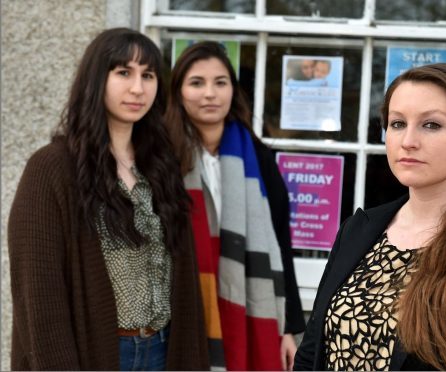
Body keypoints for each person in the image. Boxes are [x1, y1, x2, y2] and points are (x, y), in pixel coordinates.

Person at [294, 63, 446, 370]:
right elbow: (310, 351)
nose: (408, 140)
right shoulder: (358, 229)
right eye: (397, 124)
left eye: (431, 125)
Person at [8, 28, 209, 371]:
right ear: (95, 79)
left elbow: (184, 280)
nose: (137, 88)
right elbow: (39, 297)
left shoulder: (161, 165)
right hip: (99, 354)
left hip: (163, 351)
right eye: (123, 73)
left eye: (148, 75)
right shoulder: (51, 168)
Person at [165, 41, 305, 371]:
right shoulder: (161, 158)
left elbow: (281, 245)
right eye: (197, 83)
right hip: (180, 311)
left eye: (220, 82)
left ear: (232, 90)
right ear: (179, 92)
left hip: (248, 309)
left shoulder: (258, 158)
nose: (210, 93)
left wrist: (288, 328)